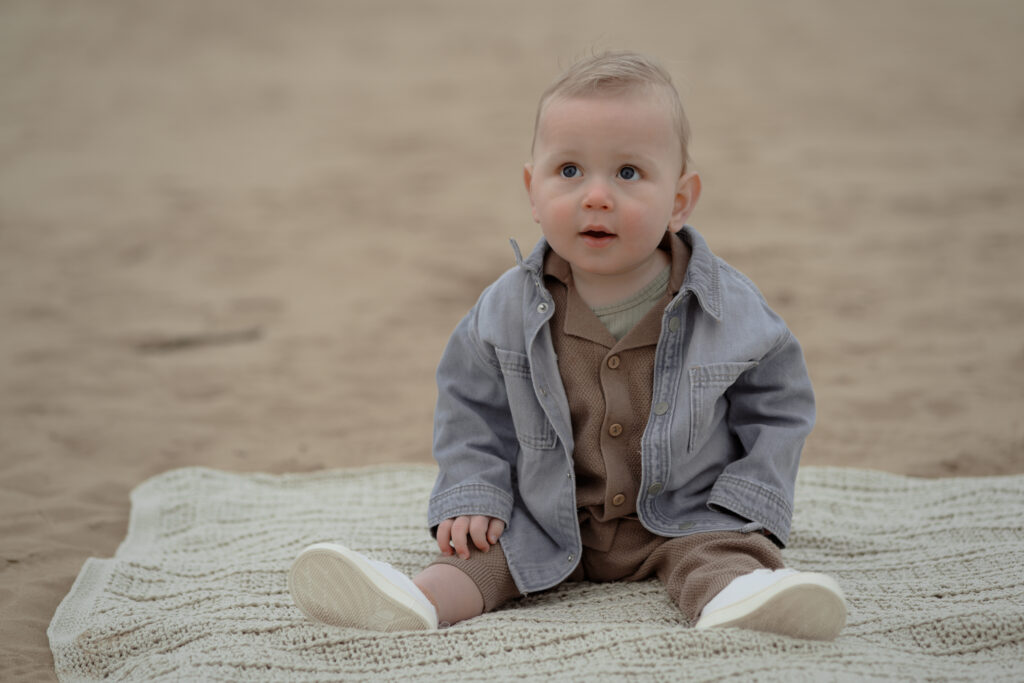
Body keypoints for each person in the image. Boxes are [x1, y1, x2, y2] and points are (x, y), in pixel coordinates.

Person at [288, 51, 847, 640]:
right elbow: (470, 408)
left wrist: (750, 498)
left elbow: (779, 401)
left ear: (680, 200)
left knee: (723, 558)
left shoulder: (729, 307)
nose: (596, 196)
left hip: (686, 513)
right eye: (571, 171)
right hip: (548, 517)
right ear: (533, 190)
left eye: (628, 173)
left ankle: (748, 601)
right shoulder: (502, 309)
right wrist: (474, 492)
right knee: (479, 558)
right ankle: (416, 601)